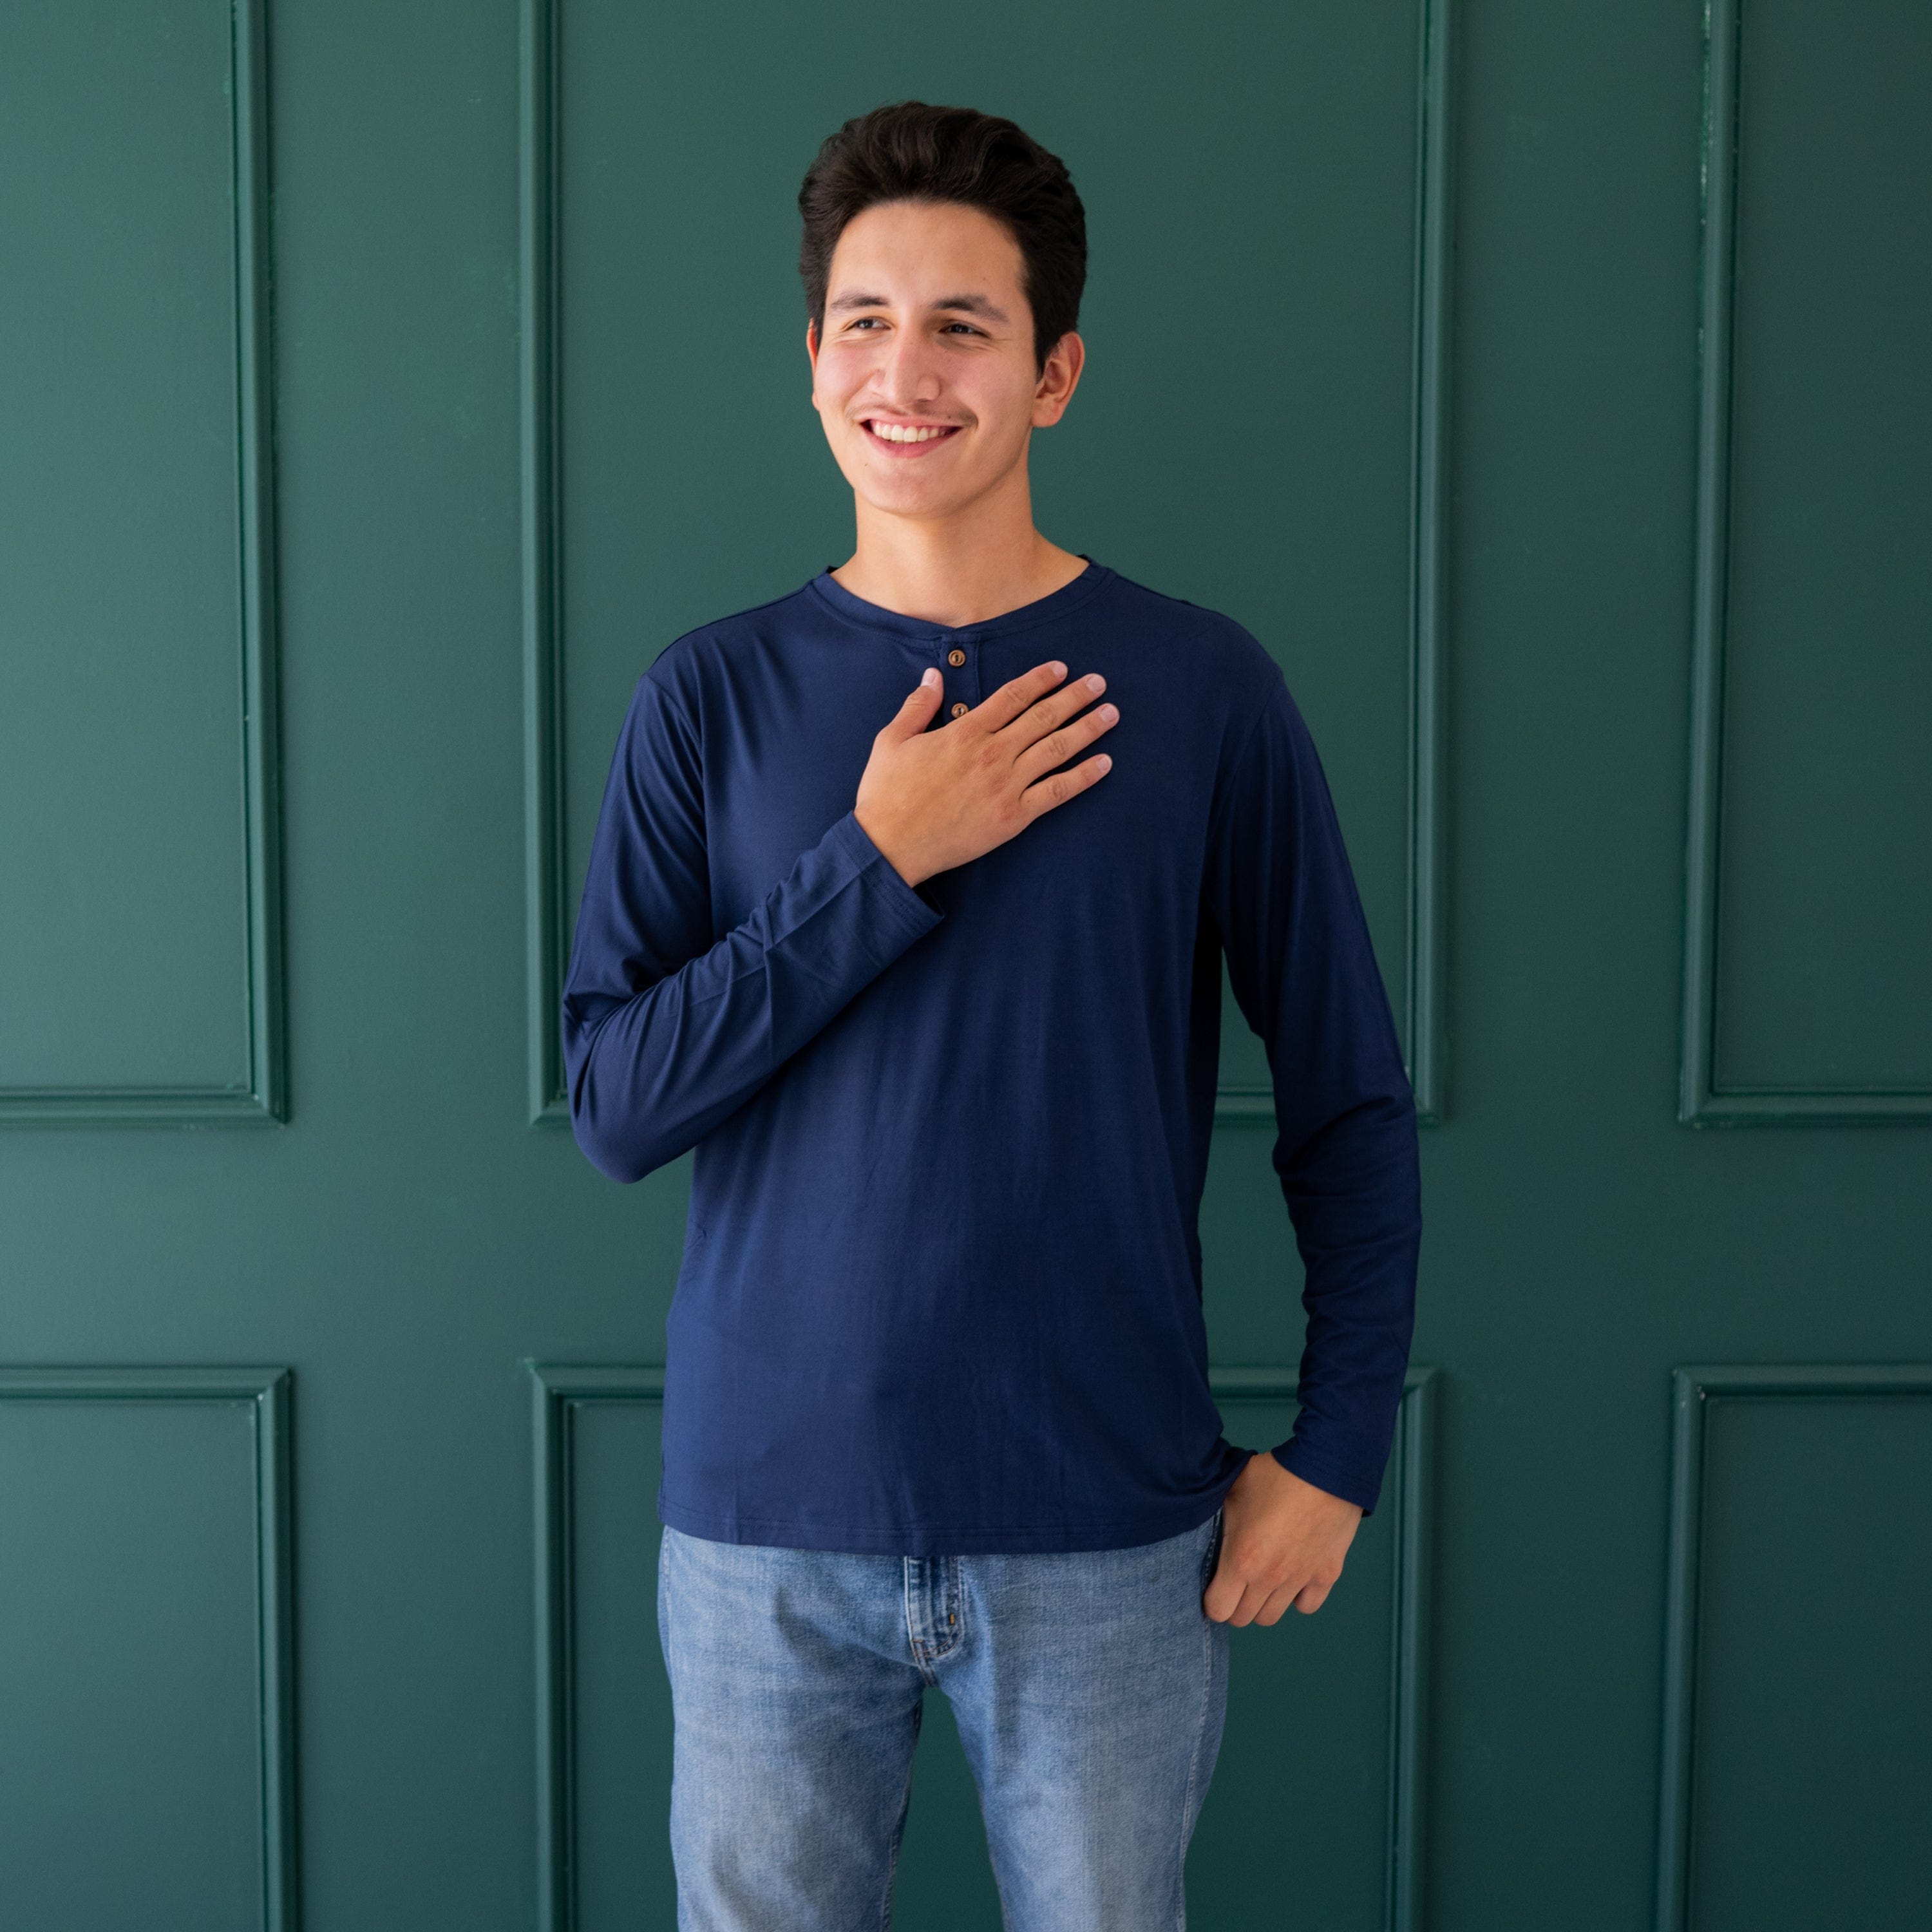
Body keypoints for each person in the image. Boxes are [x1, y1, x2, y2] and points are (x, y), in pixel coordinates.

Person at [560, 99, 1421, 1932]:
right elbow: (617, 1101)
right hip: (766, 1532)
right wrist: (878, 864)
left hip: (1108, 1529)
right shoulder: (707, 698)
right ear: (811, 363)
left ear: (1056, 372)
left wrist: (1339, 1448)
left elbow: (1348, 1101)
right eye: (867, 320)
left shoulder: (1200, 690)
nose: (908, 368)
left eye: (966, 324)